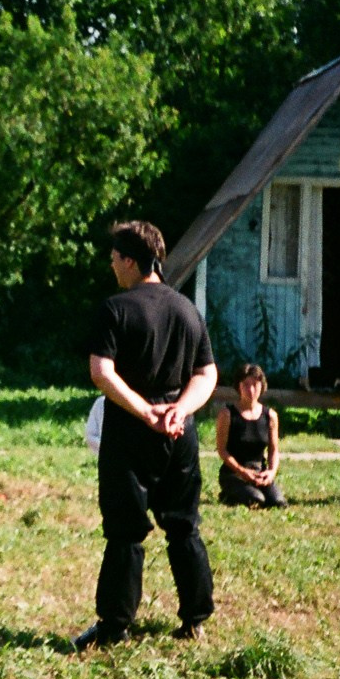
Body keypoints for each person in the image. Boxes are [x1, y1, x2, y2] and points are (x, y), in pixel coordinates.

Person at [73, 221, 218, 651]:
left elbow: (101, 372)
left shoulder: (116, 308)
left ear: (131, 261)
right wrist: (180, 409)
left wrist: (145, 411)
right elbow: (207, 374)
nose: (112, 264)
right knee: (184, 527)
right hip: (181, 434)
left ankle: (114, 628)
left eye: (116, 257)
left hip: (130, 433)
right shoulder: (187, 309)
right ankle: (195, 620)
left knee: (125, 531)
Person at [215, 364, 286, 508]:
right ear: (238, 387)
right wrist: (242, 471)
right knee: (256, 500)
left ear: (262, 386)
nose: (251, 390)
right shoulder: (227, 414)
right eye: (246, 385)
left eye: (255, 384)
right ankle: (228, 495)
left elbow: (273, 450)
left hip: (259, 472)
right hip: (234, 473)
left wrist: (271, 472)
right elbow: (222, 450)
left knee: (278, 503)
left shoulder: (270, 415)